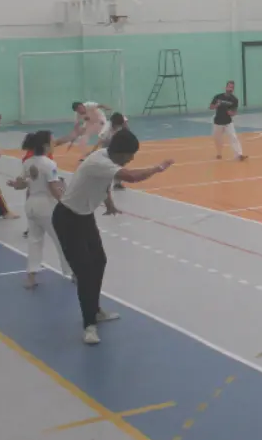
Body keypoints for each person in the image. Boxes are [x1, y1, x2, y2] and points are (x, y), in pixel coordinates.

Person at [52, 129, 173, 345]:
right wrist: (159, 168)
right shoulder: (99, 161)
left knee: (99, 261)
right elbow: (132, 177)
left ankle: (96, 310)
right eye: (130, 155)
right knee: (85, 271)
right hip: (67, 219)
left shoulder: (106, 160)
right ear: (119, 152)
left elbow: (104, 184)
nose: (131, 159)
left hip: (84, 216)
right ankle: (89, 325)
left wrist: (109, 203)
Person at [7, 131, 73, 288]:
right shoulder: (49, 164)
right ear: (45, 146)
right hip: (46, 206)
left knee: (34, 240)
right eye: (52, 142)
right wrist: (66, 204)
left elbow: (22, 184)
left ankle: (31, 277)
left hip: (31, 204)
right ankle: (74, 273)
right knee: (62, 239)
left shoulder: (28, 162)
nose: (54, 144)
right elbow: (53, 188)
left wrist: (15, 185)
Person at [210, 81, 248, 161]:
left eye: (232, 87)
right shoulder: (218, 97)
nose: (230, 89)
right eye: (229, 87)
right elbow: (211, 107)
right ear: (226, 87)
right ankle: (219, 153)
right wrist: (216, 105)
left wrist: (232, 113)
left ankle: (239, 155)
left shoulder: (234, 99)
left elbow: (234, 111)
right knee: (218, 140)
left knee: (234, 138)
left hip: (228, 122)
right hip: (218, 122)